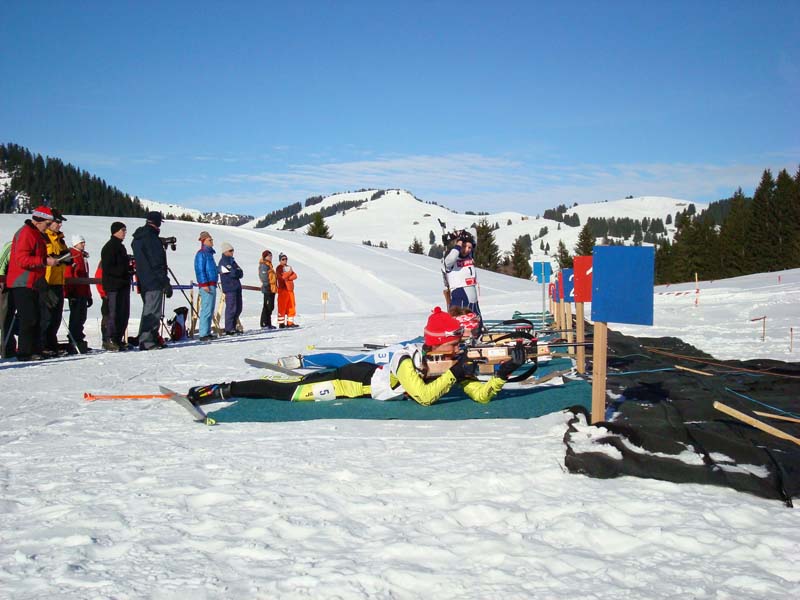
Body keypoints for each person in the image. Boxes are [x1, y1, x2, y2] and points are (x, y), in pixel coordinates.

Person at [188, 306, 524, 406]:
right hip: (348, 382)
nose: (459, 348)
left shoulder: (447, 363)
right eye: (455, 343)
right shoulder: (407, 358)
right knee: (285, 391)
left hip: (361, 378)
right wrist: (456, 373)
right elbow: (423, 396)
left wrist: (503, 374)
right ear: (439, 343)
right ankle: (222, 390)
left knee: (289, 387)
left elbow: (479, 395)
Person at [6, 206, 60, 361]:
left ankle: (36, 349)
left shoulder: (36, 234)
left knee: (37, 317)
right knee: (29, 318)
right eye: (47, 224)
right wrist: (44, 261)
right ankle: (25, 352)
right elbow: (22, 259)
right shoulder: (26, 233)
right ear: (38, 221)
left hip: (34, 282)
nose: (48, 227)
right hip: (22, 282)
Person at [132, 211, 171, 350]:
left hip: (143, 278)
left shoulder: (139, 237)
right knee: (153, 312)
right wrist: (165, 281)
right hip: (153, 280)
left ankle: (150, 338)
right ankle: (147, 340)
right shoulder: (151, 238)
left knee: (149, 310)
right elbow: (156, 262)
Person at [40, 209, 71, 356]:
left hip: (58, 281)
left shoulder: (60, 239)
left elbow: (65, 255)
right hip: (46, 281)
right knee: (46, 316)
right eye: (57, 222)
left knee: (56, 317)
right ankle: (42, 345)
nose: (60, 225)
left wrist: (67, 258)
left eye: (60, 223)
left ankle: (52, 345)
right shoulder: (43, 236)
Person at [101, 221, 132, 351]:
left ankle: (118, 339)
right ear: (115, 231)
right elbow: (108, 268)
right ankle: (109, 339)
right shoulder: (109, 247)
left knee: (123, 314)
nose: (125, 233)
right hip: (113, 286)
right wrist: (124, 270)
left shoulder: (120, 247)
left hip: (123, 284)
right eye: (122, 230)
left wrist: (128, 269)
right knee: (113, 314)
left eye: (125, 230)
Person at [63, 234, 93, 353]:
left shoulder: (82, 256)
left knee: (82, 316)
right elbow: (69, 273)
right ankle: (74, 339)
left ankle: (78, 338)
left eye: (84, 242)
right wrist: (70, 292)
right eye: (81, 242)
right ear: (76, 243)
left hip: (83, 290)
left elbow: (85, 277)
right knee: (76, 317)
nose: (84, 244)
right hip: (76, 291)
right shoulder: (72, 255)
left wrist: (89, 295)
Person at [443, 229, 482, 320]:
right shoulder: (451, 260)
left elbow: (473, 231)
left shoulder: (470, 256)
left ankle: (479, 328)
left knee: (476, 319)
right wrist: (460, 240)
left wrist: (464, 233)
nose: (466, 250)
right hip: (459, 295)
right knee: (460, 320)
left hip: (473, 295)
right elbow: (451, 259)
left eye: (469, 247)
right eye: (464, 246)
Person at [194, 231, 218, 341]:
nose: (212, 241)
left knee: (210, 309)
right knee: (206, 309)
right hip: (207, 285)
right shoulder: (201, 254)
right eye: (210, 240)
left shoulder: (209, 254)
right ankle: (203, 333)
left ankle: (207, 331)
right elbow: (200, 270)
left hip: (212, 283)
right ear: (204, 241)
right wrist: (203, 284)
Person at [217, 242, 243, 335]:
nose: (232, 252)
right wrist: (236, 271)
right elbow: (233, 273)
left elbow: (240, 273)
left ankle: (234, 326)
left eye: (233, 250)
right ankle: (229, 328)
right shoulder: (223, 262)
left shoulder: (232, 261)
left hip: (237, 287)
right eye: (230, 250)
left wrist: (236, 271)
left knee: (238, 308)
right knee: (231, 308)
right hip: (229, 288)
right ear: (225, 251)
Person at [275, 252, 298, 328]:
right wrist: (289, 273)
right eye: (283, 259)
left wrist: (288, 277)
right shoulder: (279, 268)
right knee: (282, 306)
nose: (285, 260)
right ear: (280, 260)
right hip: (283, 290)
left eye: (286, 259)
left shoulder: (288, 267)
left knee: (291, 306)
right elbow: (282, 277)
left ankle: (290, 323)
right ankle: (281, 323)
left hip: (290, 290)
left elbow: (295, 276)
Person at [258, 249, 277, 329]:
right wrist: (267, 285)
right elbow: (263, 276)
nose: (270, 257)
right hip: (267, 288)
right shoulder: (264, 265)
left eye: (271, 255)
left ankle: (268, 323)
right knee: (267, 306)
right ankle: (264, 323)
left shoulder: (269, 265)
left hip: (272, 288)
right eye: (269, 256)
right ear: (265, 257)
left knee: (271, 306)